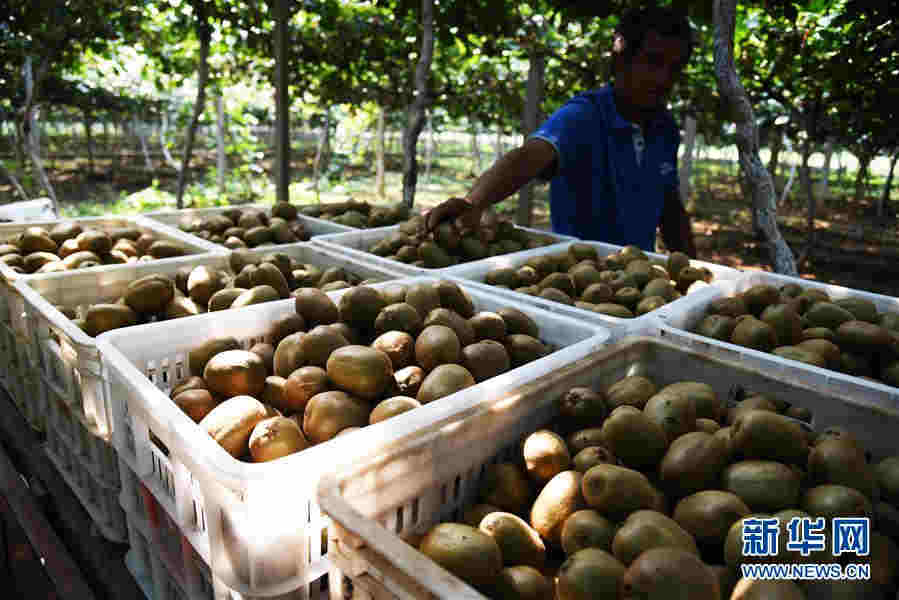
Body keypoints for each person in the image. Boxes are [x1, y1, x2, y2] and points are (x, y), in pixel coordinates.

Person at [425, 6, 697, 257]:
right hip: (579, 274)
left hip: (636, 275)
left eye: (674, 68)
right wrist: (474, 202)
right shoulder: (585, 115)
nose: (663, 78)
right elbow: (529, 157)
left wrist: (698, 271)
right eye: (652, 62)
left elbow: (669, 208)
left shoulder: (665, 129)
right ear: (621, 60)